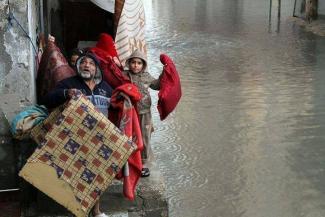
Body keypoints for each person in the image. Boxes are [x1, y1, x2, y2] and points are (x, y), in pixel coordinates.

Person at [41, 51, 113, 217]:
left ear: (97, 69)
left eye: (90, 63)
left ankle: (96, 212)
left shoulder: (106, 88)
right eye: (83, 62)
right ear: (78, 66)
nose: (86, 65)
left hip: (100, 140)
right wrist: (66, 94)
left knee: (98, 176)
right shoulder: (68, 84)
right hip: (75, 139)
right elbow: (47, 99)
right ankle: (75, 212)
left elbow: (117, 109)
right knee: (75, 176)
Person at [123, 49, 161, 177]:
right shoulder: (124, 75)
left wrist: (164, 74)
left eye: (139, 63)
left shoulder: (146, 76)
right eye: (133, 62)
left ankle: (143, 163)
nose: (136, 65)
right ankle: (129, 160)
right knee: (130, 135)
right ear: (129, 63)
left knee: (144, 136)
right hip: (129, 112)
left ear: (143, 65)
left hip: (144, 112)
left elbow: (157, 85)